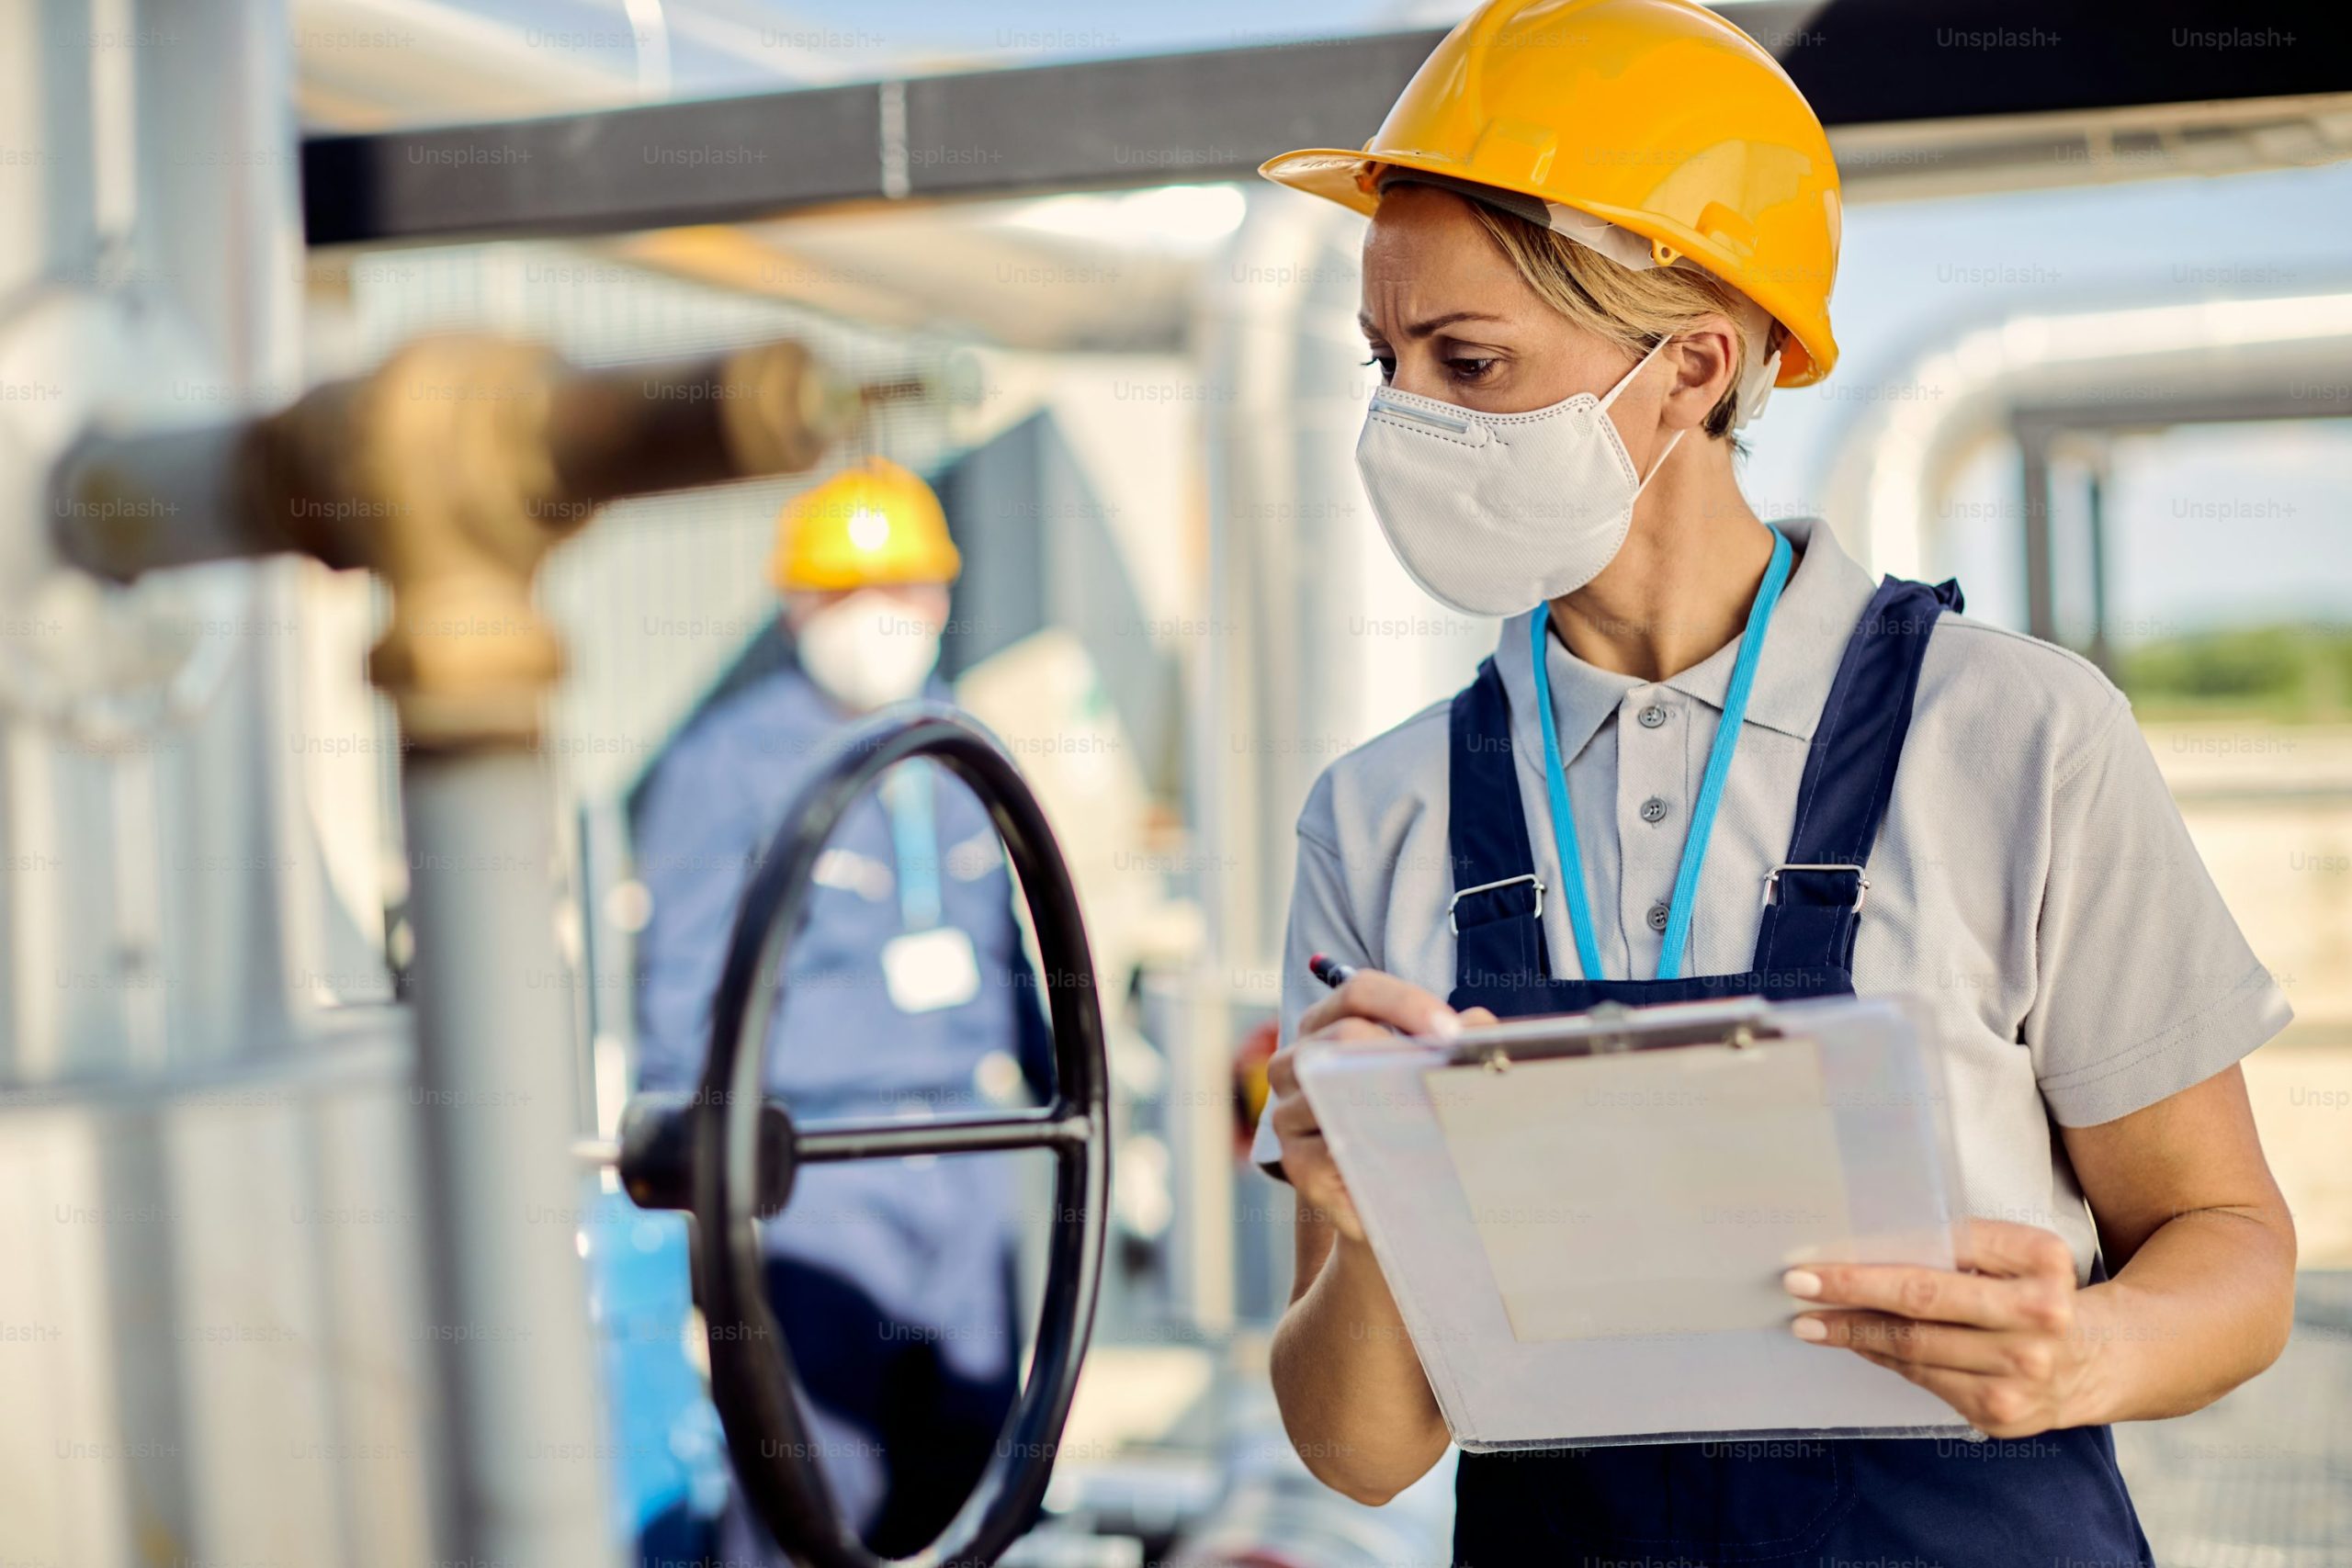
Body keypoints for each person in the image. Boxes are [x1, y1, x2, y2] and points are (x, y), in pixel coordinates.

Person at [1247, 2, 2297, 1562]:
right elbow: (1360, 1450)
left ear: (1693, 363)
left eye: (1467, 360)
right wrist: (1373, 1217)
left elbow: (2233, 1247)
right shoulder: (1376, 813)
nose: (1407, 418)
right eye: (1386, 361)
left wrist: (2089, 1351)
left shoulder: (2015, 737)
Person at [632, 457, 1053, 1561]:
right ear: (793, 606)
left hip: (965, 1155)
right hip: (811, 1172)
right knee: (812, 1490)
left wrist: (1063, 1088)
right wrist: (694, 1192)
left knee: (966, 1476)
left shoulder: (962, 740)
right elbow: (680, 992)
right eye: (846, 593)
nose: (881, 617)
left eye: (907, 589)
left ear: (943, 599)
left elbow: (1013, 946)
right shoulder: (724, 768)